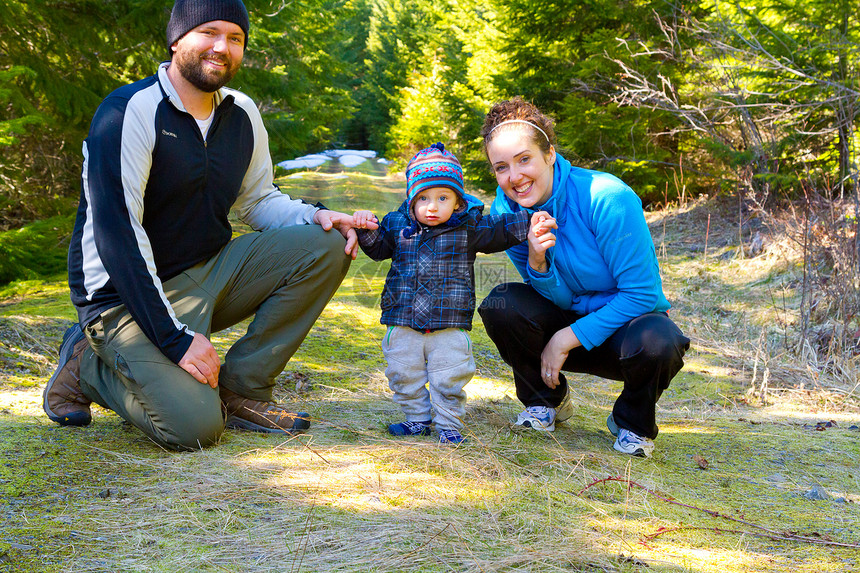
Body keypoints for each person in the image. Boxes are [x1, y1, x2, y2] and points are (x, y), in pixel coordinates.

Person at [42, 0, 368, 451]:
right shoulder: (128, 112)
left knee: (327, 245)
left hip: (208, 272)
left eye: (236, 38)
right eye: (209, 32)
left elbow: (257, 201)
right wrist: (175, 342)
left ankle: (242, 389)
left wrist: (316, 215)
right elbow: (118, 236)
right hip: (122, 298)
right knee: (194, 429)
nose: (223, 47)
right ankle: (89, 367)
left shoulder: (242, 112)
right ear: (177, 39)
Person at [477, 98, 690, 457]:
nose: (514, 177)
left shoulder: (606, 197)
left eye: (524, 159)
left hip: (624, 327)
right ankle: (545, 401)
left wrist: (565, 338)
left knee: (661, 340)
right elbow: (555, 300)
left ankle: (632, 423)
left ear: (550, 154)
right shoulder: (506, 211)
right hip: (567, 316)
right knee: (503, 304)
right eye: (501, 167)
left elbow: (641, 294)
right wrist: (538, 261)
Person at [352, 143, 548, 445]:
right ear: (411, 199)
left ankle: (448, 424)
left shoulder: (468, 226)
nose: (432, 207)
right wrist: (366, 228)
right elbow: (378, 249)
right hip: (403, 321)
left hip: (449, 323)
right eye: (423, 198)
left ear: (457, 202)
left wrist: (532, 220)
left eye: (443, 198)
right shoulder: (396, 224)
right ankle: (416, 419)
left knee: (449, 376)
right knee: (404, 374)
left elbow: (500, 229)